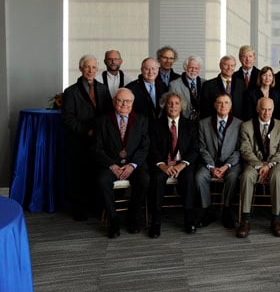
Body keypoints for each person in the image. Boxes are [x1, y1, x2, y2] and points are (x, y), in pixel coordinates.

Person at [92, 88, 150, 238]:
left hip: (133, 165)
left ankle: (133, 217)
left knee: (144, 179)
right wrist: (112, 165)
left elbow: (145, 147)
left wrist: (132, 165)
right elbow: (96, 148)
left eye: (128, 101)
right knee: (102, 180)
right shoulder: (102, 121)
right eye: (120, 100)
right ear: (114, 102)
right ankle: (113, 220)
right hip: (110, 165)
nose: (124, 104)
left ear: (133, 103)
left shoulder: (142, 120)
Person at [62, 54, 113, 221]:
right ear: (80, 68)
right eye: (87, 67)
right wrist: (87, 131)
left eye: (93, 67)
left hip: (99, 142)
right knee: (80, 176)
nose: (90, 70)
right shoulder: (71, 91)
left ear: (97, 70)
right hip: (80, 141)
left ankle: (97, 207)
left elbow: (107, 114)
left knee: (97, 174)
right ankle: (80, 210)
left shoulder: (103, 89)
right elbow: (68, 118)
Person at [148, 92, 199, 238]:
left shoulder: (190, 125)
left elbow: (195, 150)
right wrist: (163, 165)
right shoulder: (155, 124)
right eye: (170, 103)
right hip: (162, 165)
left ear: (181, 106)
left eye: (176, 103)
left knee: (189, 179)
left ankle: (189, 219)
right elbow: (151, 148)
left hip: (182, 164)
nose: (173, 106)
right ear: (165, 105)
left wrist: (182, 165)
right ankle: (156, 222)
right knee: (157, 179)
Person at [237, 97, 280, 238]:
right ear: (258, 109)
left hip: (275, 163)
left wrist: (269, 165)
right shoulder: (246, 126)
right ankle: (245, 219)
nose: (266, 113)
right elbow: (245, 150)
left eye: (269, 109)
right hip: (254, 163)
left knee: (277, 176)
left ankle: (276, 219)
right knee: (247, 176)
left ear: (273, 110)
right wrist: (260, 165)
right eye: (263, 109)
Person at [196, 92, 243, 229]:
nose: (223, 105)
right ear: (215, 105)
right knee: (199, 177)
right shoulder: (203, 123)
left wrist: (226, 166)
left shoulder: (239, 124)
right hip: (209, 163)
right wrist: (211, 167)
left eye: (226, 102)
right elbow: (202, 148)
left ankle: (226, 211)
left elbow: (239, 150)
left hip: (231, 164)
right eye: (220, 102)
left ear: (231, 106)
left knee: (233, 177)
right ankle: (207, 210)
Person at [200, 55, 245, 120]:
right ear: (220, 66)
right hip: (214, 123)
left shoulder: (241, 84)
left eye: (232, 66)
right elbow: (204, 109)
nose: (229, 68)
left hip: (237, 123)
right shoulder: (208, 85)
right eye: (226, 65)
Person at [169, 55, 204, 121]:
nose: (193, 70)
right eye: (191, 67)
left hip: (201, 122)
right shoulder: (174, 85)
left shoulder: (205, 83)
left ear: (199, 69)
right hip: (183, 122)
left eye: (196, 68)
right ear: (185, 68)